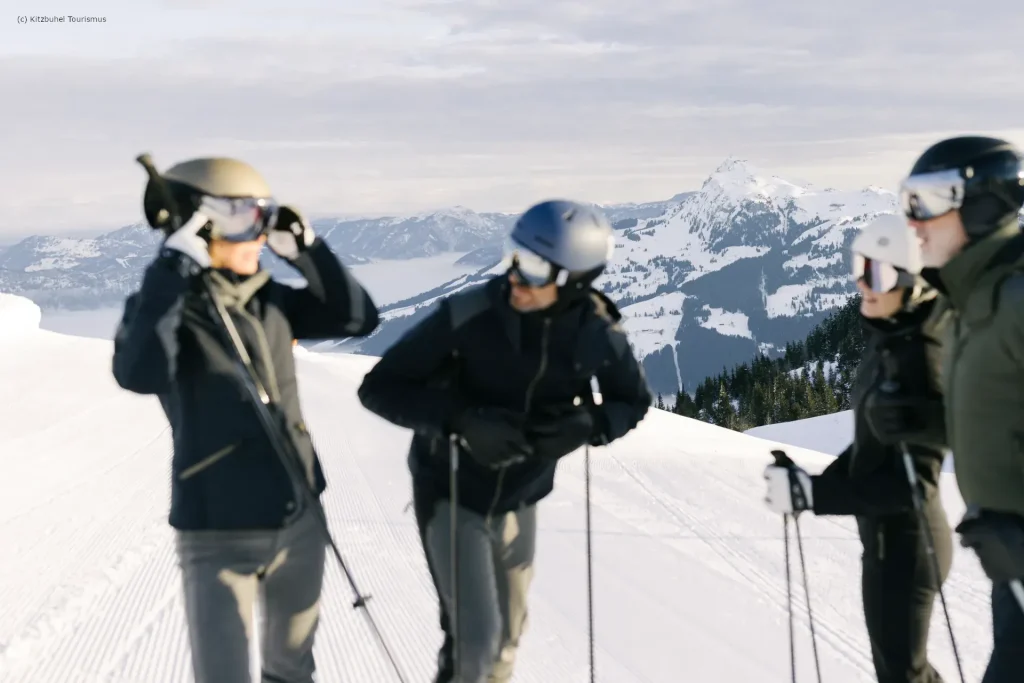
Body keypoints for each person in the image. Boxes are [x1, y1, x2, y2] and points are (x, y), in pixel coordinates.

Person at [356, 199, 652, 683]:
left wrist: (589, 426)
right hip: (450, 489)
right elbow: (379, 388)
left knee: (506, 642)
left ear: (574, 280)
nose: (514, 275)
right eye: (514, 256)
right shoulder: (470, 314)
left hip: (521, 496)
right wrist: (461, 421)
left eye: (533, 267)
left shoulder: (596, 332)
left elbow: (631, 401)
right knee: (475, 643)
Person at [112, 156, 380, 683]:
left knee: (291, 670)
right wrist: (170, 270)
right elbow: (141, 372)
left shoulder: (271, 301)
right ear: (196, 224)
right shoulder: (165, 309)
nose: (258, 234)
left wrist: (307, 250)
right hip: (217, 528)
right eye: (242, 219)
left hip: (298, 514)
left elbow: (358, 318)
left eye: (263, 217)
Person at [763, 213, 954, 682]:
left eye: (878, 273)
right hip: (886, 539)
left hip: (909, 543)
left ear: (911, 281)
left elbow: (910, 486)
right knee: (899, 669)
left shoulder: (922, 356)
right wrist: (811, 484)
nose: (863, 283)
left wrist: (815, 495)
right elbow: (873, 444)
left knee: (902, 673)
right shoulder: (890, 340)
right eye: (859, 266)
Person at [899, 135, 1024, 683]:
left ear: (982, 203)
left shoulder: (1017, 301)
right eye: (907, 202)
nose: (914, 222)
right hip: (1009, 575)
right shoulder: (966, 308)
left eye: (926, 201)